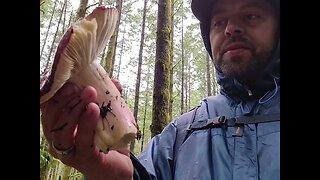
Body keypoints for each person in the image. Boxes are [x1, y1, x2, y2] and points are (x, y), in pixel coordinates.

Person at [40, 0, 280, 179]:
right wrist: (106, 171)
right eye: (219, 22)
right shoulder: (180, 133)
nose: (230, 29)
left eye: (250, 16)